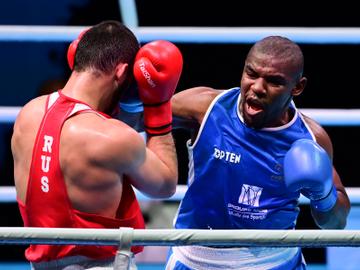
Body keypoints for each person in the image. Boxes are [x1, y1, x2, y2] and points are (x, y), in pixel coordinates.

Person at [164, 36, 351, 269]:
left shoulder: (310, 138)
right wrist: (145, 94)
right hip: (197, 256)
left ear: (298, 87)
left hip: (274, 260)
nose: (258, 87)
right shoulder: (207, 108)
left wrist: (323, 193)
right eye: (251, 74)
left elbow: (335, 224)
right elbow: (135, 120)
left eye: (274, 81)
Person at [11, 20, 183, 269]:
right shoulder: (113, 138)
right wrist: (158, 107)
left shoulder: (27, 115)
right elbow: (164, 185)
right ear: (123, 72)